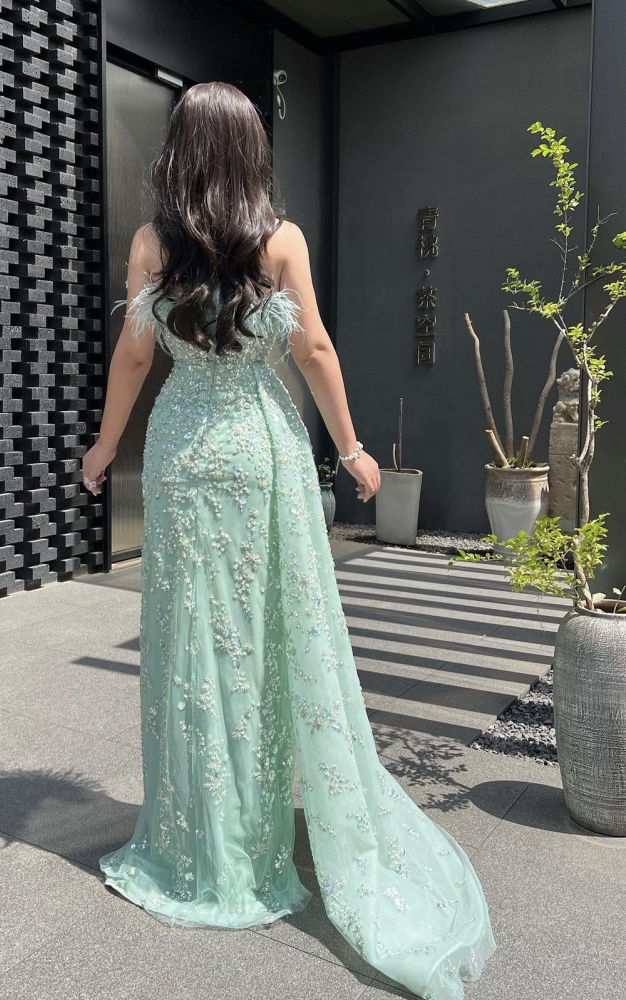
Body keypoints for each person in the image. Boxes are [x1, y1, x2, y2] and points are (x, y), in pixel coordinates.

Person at [81, 82, 497, 1000]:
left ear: (180, 153)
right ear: (249, 153)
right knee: (261, 640)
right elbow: (313, 352)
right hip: (258, 451)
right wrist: (351, 449)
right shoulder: (281, 240)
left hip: (183, 451)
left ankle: (196, 841)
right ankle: (252, 837)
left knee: (190, 644)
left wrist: (106, 448)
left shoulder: (152, 244)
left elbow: (136, 357)